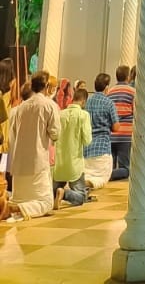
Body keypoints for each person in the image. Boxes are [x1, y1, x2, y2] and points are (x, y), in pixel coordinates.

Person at [6, 72, 60, 218]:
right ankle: (15, 209)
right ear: (47, 86)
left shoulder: (20, 108)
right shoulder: (49, 105)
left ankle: (13, 205)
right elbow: (55, 133)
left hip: (19, 163)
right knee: (46, 202)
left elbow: (14, 134)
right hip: (38, 162)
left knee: (20, 197)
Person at [52, 84, 93, 207]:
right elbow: (87, 140)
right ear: (84, 101)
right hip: (75, 163)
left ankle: (57, 193)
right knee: (81, 196)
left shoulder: (61, 114)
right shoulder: (83, 115)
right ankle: (64, 194)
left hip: (59, 163)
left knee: (51, 192)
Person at [83, 73, 119, 188]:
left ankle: (78, 187)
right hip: (102, 147)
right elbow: (116, 127)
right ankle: (87, 185)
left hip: (87, 147)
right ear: (107, 87)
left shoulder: (87, 102)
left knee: (87, 174)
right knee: (101, 178)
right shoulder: (109, 103)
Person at [107, 64, 135, 181]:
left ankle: (107, 175)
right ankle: (108, 176)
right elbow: (136, 111)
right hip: (126, 135)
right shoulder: (132, 91)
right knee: (126, 168)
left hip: (111, 133)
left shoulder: (110, 92)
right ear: (128, 77)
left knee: (110, 165)